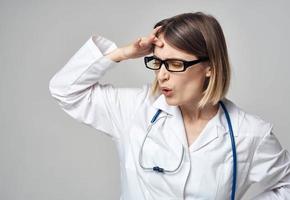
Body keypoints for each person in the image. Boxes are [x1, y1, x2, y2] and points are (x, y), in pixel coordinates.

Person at [49, 12, 290, 199]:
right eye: (158, 62)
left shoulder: (249, 134)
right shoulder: (136, 110)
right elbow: (65, 90)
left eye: (175, 64)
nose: (162, 75)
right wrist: (123, 53)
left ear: (210, 67)